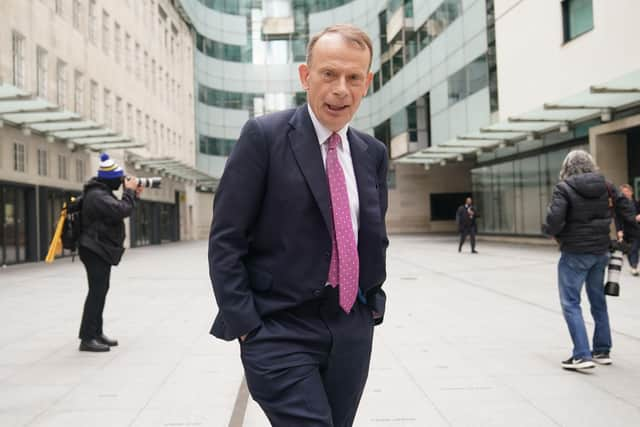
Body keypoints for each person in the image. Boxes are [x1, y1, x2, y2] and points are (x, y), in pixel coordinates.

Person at [208, 24, 388, 426]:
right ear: (306, 76)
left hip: (350, 329)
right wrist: (248, 327)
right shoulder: (264, 137)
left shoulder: (371, 153)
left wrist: (372, 304)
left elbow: (372, 235)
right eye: (329, 74)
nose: (341, 89)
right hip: (278, 329)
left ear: (367, 83)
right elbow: (226, 239)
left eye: (353, 78)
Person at [543, 150, 638, 370]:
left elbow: (554, 220)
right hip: (601, 252)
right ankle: (602, 350)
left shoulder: (564, 188)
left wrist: (551, 231)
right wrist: (632, 240)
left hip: (575, 253)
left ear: (567, 166)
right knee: (598, 301)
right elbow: (627, 210)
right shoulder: (606, 185)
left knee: (570, 303)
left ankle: (582, 355)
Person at [77, 153, 142, 352]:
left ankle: (96, 333)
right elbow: (122, 210)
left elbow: (122, 209)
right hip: (94, 249)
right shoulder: (97, 195)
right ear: (109, 178)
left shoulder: (101, 193)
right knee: (96, 292)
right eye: (119, 178)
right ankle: (87, 338)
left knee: (100, 291)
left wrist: (133, 195)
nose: (121, 182)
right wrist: (129, 193)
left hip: (98, 248)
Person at [616, 183, 640, 276]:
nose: (625, 193)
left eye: (627, 191)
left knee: (634, 248)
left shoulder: (637, 203)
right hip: (625, 230)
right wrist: (619, 230)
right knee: (629, 250)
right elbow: (618, 219)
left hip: (636, 230)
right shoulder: (619, 206)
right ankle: (632, 265)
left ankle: (634, 267)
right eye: (623, 192)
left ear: (631, 192)